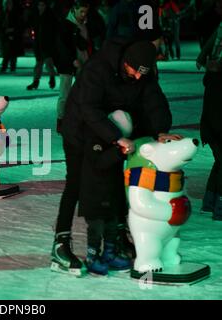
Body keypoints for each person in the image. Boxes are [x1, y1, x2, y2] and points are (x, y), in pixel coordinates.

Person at [51, 39, 181, 275]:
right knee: (76, 184)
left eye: (144, 73)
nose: (139, 77)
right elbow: (88, 108)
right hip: (80, 131)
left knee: (116, 181)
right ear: (125, 63)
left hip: (115, 130)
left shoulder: (143, 72)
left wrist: (160, 129)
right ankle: (60, 243)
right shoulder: (98, 68)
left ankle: (117, 237)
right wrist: (115, 137)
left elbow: (154, 102)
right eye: (135, 71)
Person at [78, 110, 133, 276]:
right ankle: (92, 257)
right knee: (96, 227)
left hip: (110, 191)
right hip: (94, 193)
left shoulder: (113, 142)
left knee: (112, 223)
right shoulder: (94, 140)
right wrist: (118, 152)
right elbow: (99, 162)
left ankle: (109, 254)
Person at [53, 0, 91, 133]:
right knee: (65, 93)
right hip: (68, 65)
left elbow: (87, 44)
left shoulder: (85, 24)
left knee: (83, 93)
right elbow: (62, 46)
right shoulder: (65, 24)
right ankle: (61, 121)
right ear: (74, 10)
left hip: (83, 63)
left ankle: (79, 120)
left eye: (85, 11)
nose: (83, 14)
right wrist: (72, 59)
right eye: (81, 11)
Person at [197, 20, 222, 220]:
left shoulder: (214, 80)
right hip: (216, 128)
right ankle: (219, 206)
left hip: (212, 128)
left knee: (220, 162)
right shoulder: (217, 83)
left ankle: (210, 201)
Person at [26, 0, 57, 90]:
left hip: (47, 44)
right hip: (38, 43)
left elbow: (53, 30)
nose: (40, 7)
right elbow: (32, 26)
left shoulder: (50, 16)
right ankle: (36, 81)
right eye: (39, 5)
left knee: (48, 64)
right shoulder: (36, 15)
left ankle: (52, 78)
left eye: (42, 5)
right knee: (38, 63)